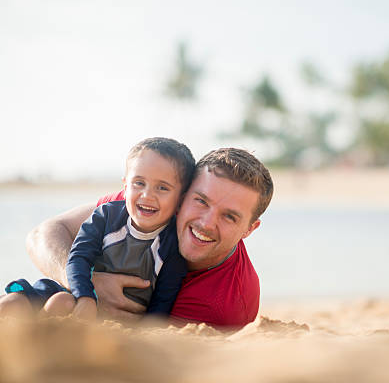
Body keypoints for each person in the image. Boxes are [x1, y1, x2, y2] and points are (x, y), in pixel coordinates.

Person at [23, 148, 273, 330]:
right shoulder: (151, 205)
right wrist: (84, 284)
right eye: (201, 201)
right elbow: (43, 234)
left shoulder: (225, 304)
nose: (206, 223)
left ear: (249, 229)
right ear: (182, 196)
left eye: (229, 216)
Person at [0, 137, 195, 320]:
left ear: (181, 200)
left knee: (63, 303)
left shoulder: (172, 245)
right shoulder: (106, 216)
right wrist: (85, 297)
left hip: (111, 313)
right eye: (139, 183)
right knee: (17, 301)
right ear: (125, 187)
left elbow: (163, 300)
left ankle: (45, 331)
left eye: (162, 188)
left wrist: (147, 327)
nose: (147, 195)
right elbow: (78, 257)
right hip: (77, 289)